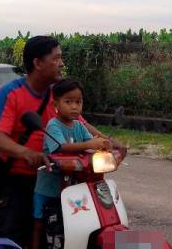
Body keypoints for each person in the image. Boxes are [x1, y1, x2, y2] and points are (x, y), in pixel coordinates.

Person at [0, 35, 124, 247]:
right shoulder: (11, 93)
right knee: (14, 236)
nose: (62, 63)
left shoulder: (57, 95)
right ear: (38, 63)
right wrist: (27, 153)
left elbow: (81, 123)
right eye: (57, 58)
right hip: (18, 178)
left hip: (60, 176)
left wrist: (107, 141)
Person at [30, 78, 111, 249]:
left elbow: (91, 144)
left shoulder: (79, 126)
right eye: (68, 101)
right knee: (39, 223)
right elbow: (62, 147)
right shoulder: (53, 125)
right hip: (48, 187)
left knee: (71, 224)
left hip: (72, 189)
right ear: (56, 104)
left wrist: (103, 145)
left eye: (78, 101)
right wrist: (89, 144)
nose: (74, 106)